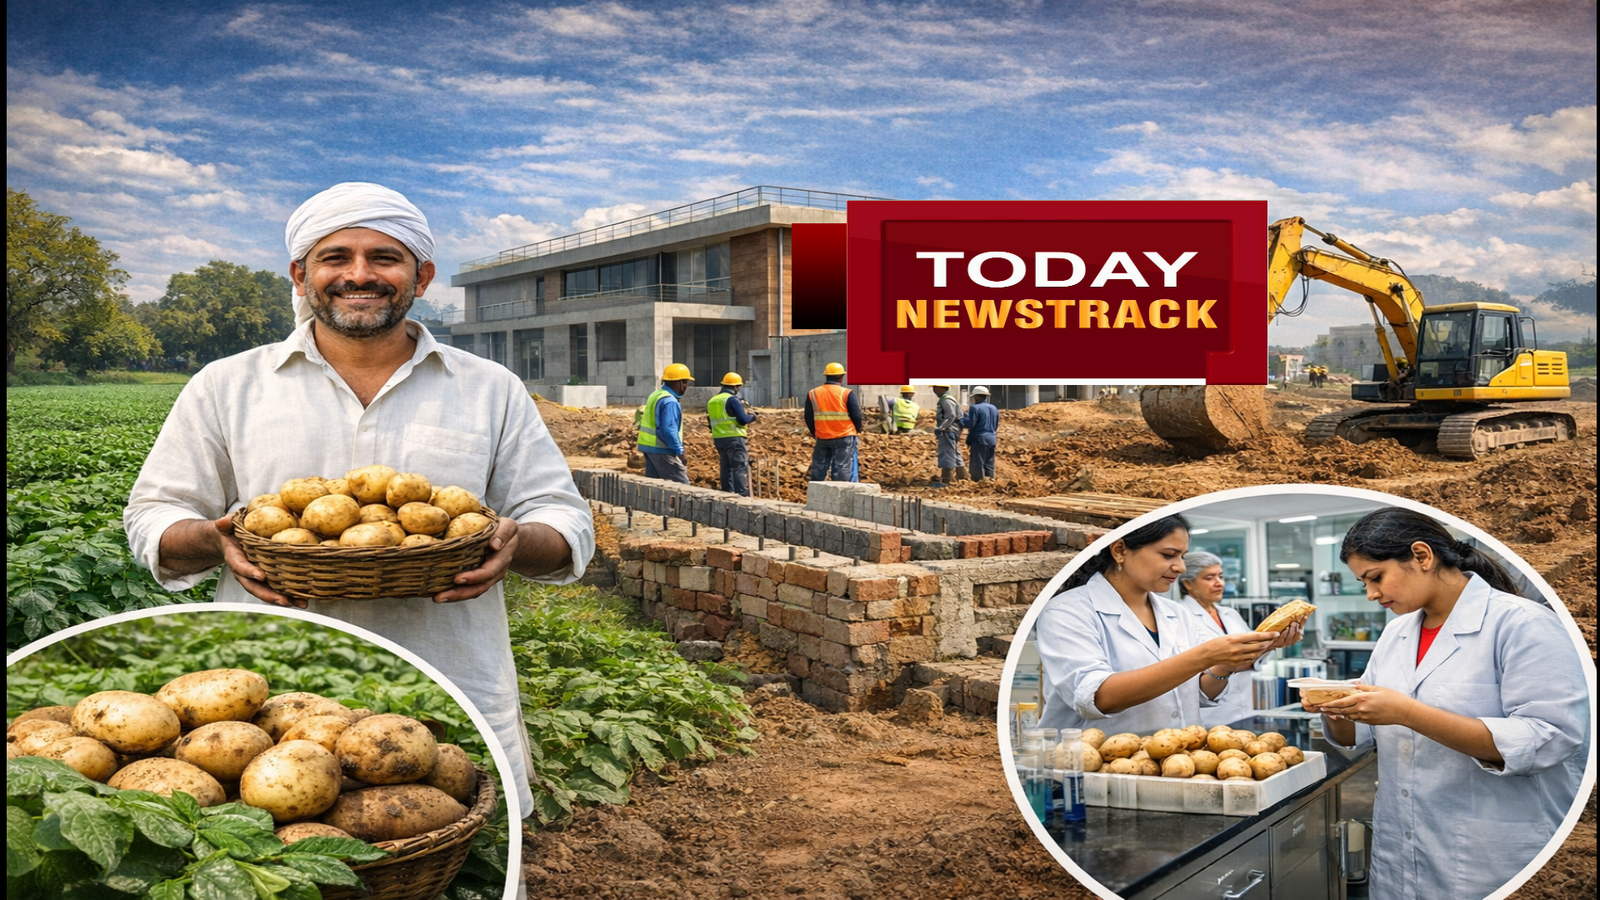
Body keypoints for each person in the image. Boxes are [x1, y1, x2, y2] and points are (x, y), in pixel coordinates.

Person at [122, 181, 596, 828]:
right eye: (335, 257)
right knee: (279, 848)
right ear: (300, 274)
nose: (359, 275)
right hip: (272, 707)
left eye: (384, 258)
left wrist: (516, 542)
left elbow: (564, 522)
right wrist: (213, 537)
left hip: (448, 687)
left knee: (468, 854)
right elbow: (153, 516)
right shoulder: (226, 386)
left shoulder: (489, 389)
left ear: (421, 275)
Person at [1306, 508, 1588, 900]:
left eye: (1375, 578)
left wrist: (1407, 712)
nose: (1371, 594)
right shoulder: (1397, 632)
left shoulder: (1522, 624)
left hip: (1491, 854)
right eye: (1363, 583)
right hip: (1401, 848)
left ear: (1422, 556)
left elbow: (1548, 738)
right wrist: (1336, 709)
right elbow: (1363, 734)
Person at [1035, 515, 1301, 735]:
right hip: (1088, 768)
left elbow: (1195, 693)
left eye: (1182, 556)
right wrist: (1205, 655)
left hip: (1177, 759)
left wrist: (1225, 665)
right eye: (1168, 555)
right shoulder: (1066, 611)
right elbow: (1099, 697)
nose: (1181, 567)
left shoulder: (1174, 613)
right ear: (1119, 550)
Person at [1175, 550, 1258, 728]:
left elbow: (1255, 651)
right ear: (1188, 583)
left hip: (1245, 707)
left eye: (1220, 576)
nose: (1219, 583)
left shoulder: (1230, 614)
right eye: (1209, 578)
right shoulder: (1180, 616)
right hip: (1211, 714)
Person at [804, 361, 863, 482]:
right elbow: (856, 415)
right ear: (841, 378)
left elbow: (808, 416)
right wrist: (857, 429)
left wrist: (814, 432)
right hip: (844, 435)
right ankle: (839, 495)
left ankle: (816, 493)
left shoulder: (813, 393)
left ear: (826, 376)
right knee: (841, 467)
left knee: (819, 466)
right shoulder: (846, 393)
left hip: (822, 436)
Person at [638, 363, 693, 483]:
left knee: (655, 486)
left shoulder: (656, 395)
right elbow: (669, 430)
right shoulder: (670, 401)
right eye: (685, 383)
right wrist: (680, 451)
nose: (686, 386)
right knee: (682, 487)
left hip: (649, 447)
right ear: (679, 383)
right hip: (662, 448)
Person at [707, 372, 757, 496]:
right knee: (739, 466)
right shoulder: (733, 400)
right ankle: (742, 495)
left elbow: (710, 421)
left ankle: (727, 494)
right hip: (734, 438)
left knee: (726, 467)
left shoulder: (712, 400)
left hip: (719, 438)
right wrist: (753, 417)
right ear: (735, 387)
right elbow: (742, 419)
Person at [959, 386, 1000, 482]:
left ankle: (978, 482)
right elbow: (996, 424)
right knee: (989, 462)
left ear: (977, 396)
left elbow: (971, 424)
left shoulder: (975, 408)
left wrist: (960, 420)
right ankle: (991, 481)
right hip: (992, 438)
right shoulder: (994, 408)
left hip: (979, 438)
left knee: (977, 462)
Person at [932, 384, 965, 486]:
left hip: (948, 431)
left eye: (934, 387)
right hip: (953, 431)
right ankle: (963, 477)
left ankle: (947, 480)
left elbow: (951, 415)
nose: (933, 390)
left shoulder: (946, 400)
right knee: (955, 454)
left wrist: (941, 428)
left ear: (940, 388)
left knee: (947, 455)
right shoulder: (950, 399)